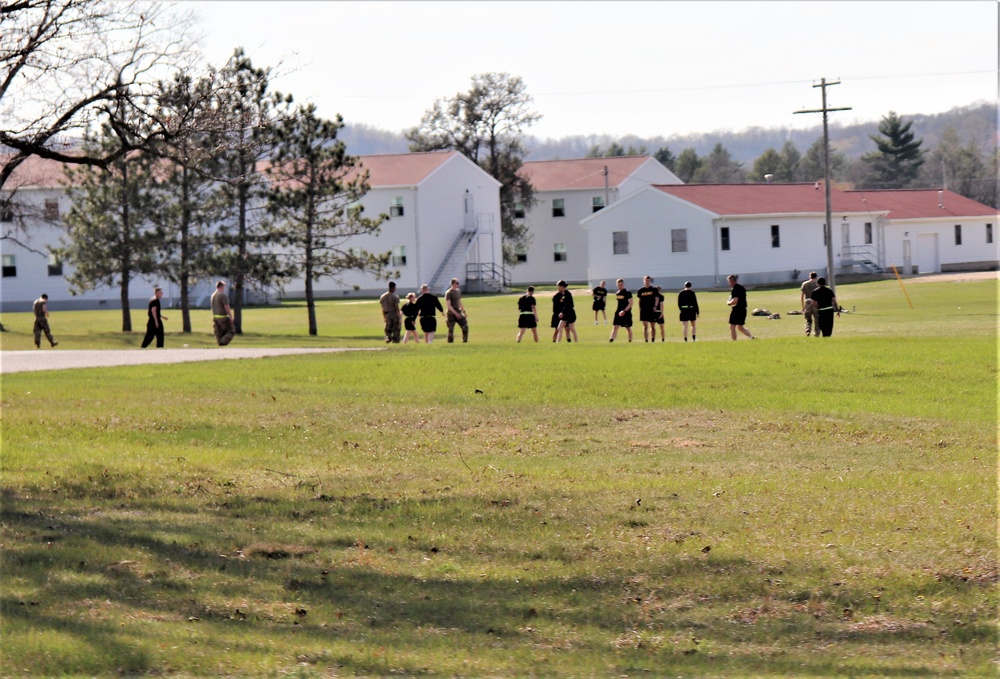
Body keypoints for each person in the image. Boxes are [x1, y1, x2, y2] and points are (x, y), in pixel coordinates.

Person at [726, 274, 755, 340]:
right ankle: (751, 337)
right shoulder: (742, 288)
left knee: (732, 327)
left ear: (732, 281)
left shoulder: (735, 289)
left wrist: (729, 303)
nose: (729, 283)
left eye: (729, 281)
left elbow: (735, 300)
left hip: (737, 310)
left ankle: (734, 342)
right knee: (740, 327)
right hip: (743, 310)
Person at [444, 278, 469, 343]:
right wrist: (455, 313)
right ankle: (450, 342)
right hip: (451, 313)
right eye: (457, 283)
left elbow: (459, 302)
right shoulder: (448, 292)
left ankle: (465, 340)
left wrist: (464, 311)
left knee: (465, 326)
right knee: (451, 329)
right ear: (453, 284)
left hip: (458, 311)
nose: (458, 284)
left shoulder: (458, 291)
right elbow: (448, 305)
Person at [211, 280, 235, 346]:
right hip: (223, 317)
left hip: (215, 317)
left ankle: (220, 342)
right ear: (222, 286)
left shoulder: (213, 295)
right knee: (231, 331)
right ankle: (223, 341)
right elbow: (226, 306)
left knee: (219, 333)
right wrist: (230, 316)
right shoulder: (223, 295)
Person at [609, 278, 633, 342]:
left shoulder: (628, 293)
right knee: (615, 327)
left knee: (628, 327)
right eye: (619, 285)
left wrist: (624, 311)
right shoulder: (617, 293)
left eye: (621, 285)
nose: (620, 286)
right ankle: (611, 340)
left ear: (623, 285)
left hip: (626, 312)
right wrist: (619, 311)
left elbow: (631, 303)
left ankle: (630, 341)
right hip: (618, 312)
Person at [636, 275, 658, 342]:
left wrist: (655, 306)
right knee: (645, 326)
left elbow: (657, 298)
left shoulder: (654, 289)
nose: (647, 282)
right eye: (646, 280)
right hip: (644, 310)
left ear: (650, 281)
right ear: (644, 281)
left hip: (652, 310)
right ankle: (646, 340)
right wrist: (639, 309)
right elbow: (639, 300)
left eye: (648, 281)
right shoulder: (641, 290)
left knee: (653, 326)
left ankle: (653, 339)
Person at [800, 271, 820, 337]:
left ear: (810, 276)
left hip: (807, 302)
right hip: (816, 302)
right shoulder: (818, 284)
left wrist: (803, 307)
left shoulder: (804, 284)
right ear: (816, 277)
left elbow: (802, 296)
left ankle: (808, 329)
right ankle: (816, 333)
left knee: (808, 319)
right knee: (817, 320)